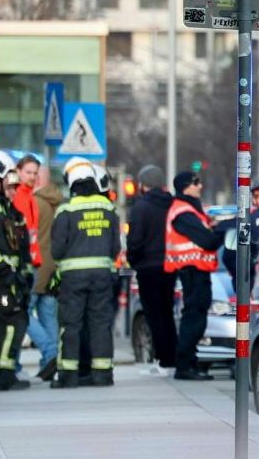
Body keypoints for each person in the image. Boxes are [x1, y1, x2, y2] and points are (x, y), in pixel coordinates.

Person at [49, 160, 120, 388]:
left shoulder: (66, 210)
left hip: (72, 278)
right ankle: (102, 374)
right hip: (102, 274)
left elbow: (57, 250)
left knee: (71, 324)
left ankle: (68, 375)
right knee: (100, 323)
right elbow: (115, 247)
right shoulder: (108, 209)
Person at [165, 170, 227, 381]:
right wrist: (224, 229)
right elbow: (208, 241)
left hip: (197, 270)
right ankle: (184, 366)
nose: (200, 186)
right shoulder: (183, 213)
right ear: (185, 187)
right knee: (193, 318)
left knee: (195, 317)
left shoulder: (190, 210)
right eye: (196, 183)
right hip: (192, 270)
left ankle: (189, 363)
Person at [124, 164, 179, 375]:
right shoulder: (172, 204)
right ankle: (171, 357)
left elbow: (135, 240)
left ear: (143, 185)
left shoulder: (140, 207)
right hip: (169, 265)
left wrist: (133, 260)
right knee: (166, 313)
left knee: (154, 315)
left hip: (148, 267)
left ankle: (162, 360)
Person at [0, 151, 27, 391]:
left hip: (2, 278)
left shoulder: (2, 205)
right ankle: (3, 374)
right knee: (13, 321)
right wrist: (4, 268)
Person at [26, 157, 62, 380]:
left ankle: (49, 353)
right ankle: (54, 359)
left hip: (37, 263)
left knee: (23, 312)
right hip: (53, 266)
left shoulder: (34, 202)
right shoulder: (57, 201)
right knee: (49, 315)